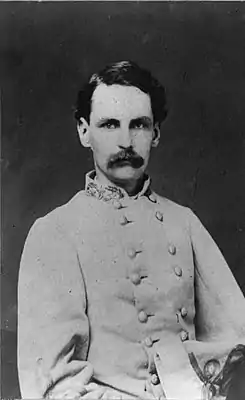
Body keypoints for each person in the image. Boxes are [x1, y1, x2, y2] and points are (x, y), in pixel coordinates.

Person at [18, 61, 245, 400]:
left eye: (138, 125)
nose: (126, 141)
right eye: (109, 125)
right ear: (84, 131)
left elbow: (237, 336)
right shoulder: (55, 232)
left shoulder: (184, 222)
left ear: (155, 133)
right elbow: (54, 386)